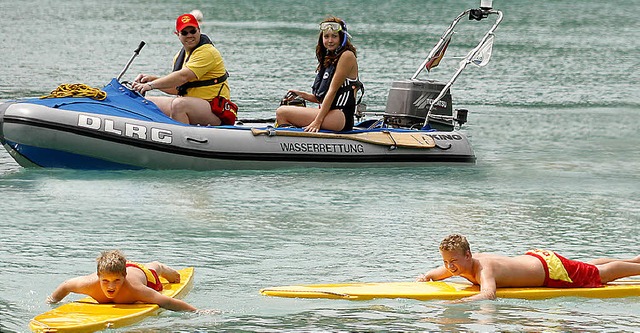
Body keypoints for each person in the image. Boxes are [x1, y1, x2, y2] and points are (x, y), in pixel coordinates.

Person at [417, 234, 640, 302]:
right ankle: (635, 259)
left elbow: (488, 294)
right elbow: (436, 274)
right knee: (586, 267)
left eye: (452, 261)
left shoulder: (483, 268)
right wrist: (426, 277)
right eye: (446, 261)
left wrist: (459, 302)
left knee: (599, 275)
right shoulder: (459, 265)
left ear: (468, 255)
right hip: (537, 259)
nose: (449, 266)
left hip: (550, 269)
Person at [131, 13, 236, 126]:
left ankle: (182, 139)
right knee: (145, 102)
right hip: (192, 105)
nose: (189, 35)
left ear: (199, 30)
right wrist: (151, 80)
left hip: (216, 111)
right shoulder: (179, 57)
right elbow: (178, 89)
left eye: (193, 31)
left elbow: (183, 76)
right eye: (184, 33)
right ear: (177, 34)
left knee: (179, 105)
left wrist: (151, 85)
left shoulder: (207, 52)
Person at [275, 16, 362, 132]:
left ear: (342, 38)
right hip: (332, 115)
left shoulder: (347, 56)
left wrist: (317, 121)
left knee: (282, 112)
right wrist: (301, 94)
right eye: (326, 36)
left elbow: (333, 91)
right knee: (288, 108)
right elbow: (323, 98)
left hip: (340, 117)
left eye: (334, 36)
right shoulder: (330, 59)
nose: (330, 40)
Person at [46, 250, 198, 312]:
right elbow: (66, 286)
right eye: (105, 281)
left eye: (116, 281)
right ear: (98, 276)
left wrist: (196, 312)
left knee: (153, 271)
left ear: (123, 278)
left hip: (141, 273)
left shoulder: (135, 289)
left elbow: (166, 302)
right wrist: (52, 301)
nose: (111, 286)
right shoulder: (88, 283)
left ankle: (159, 265)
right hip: (120, 269)